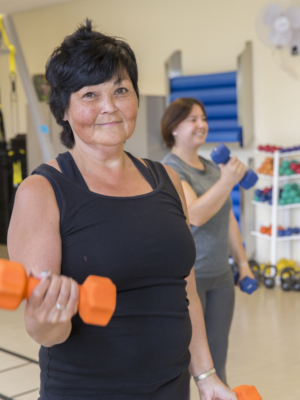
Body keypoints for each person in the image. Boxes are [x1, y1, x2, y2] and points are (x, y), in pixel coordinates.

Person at [7, 21, 237, 400]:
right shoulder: (43, 191)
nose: (110, 107)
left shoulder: (167, 179)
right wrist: (50, 316)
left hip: (171, 387)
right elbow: (45, 332)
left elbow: (186, 291)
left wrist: (207, 376)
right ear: (63, 109)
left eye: (120, 90)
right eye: (89, 95)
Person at [161, 97, 255, 386]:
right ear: (174, 128)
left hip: (221, 277)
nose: (201, 125)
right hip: (191, 279)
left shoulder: (212, 168)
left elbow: (227, 219)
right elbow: (196, 215)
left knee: (217, 359)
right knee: (185, 361)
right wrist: (228, 180)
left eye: (203, 118)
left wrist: (243, 264)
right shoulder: (169, 169)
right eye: (192, 119)